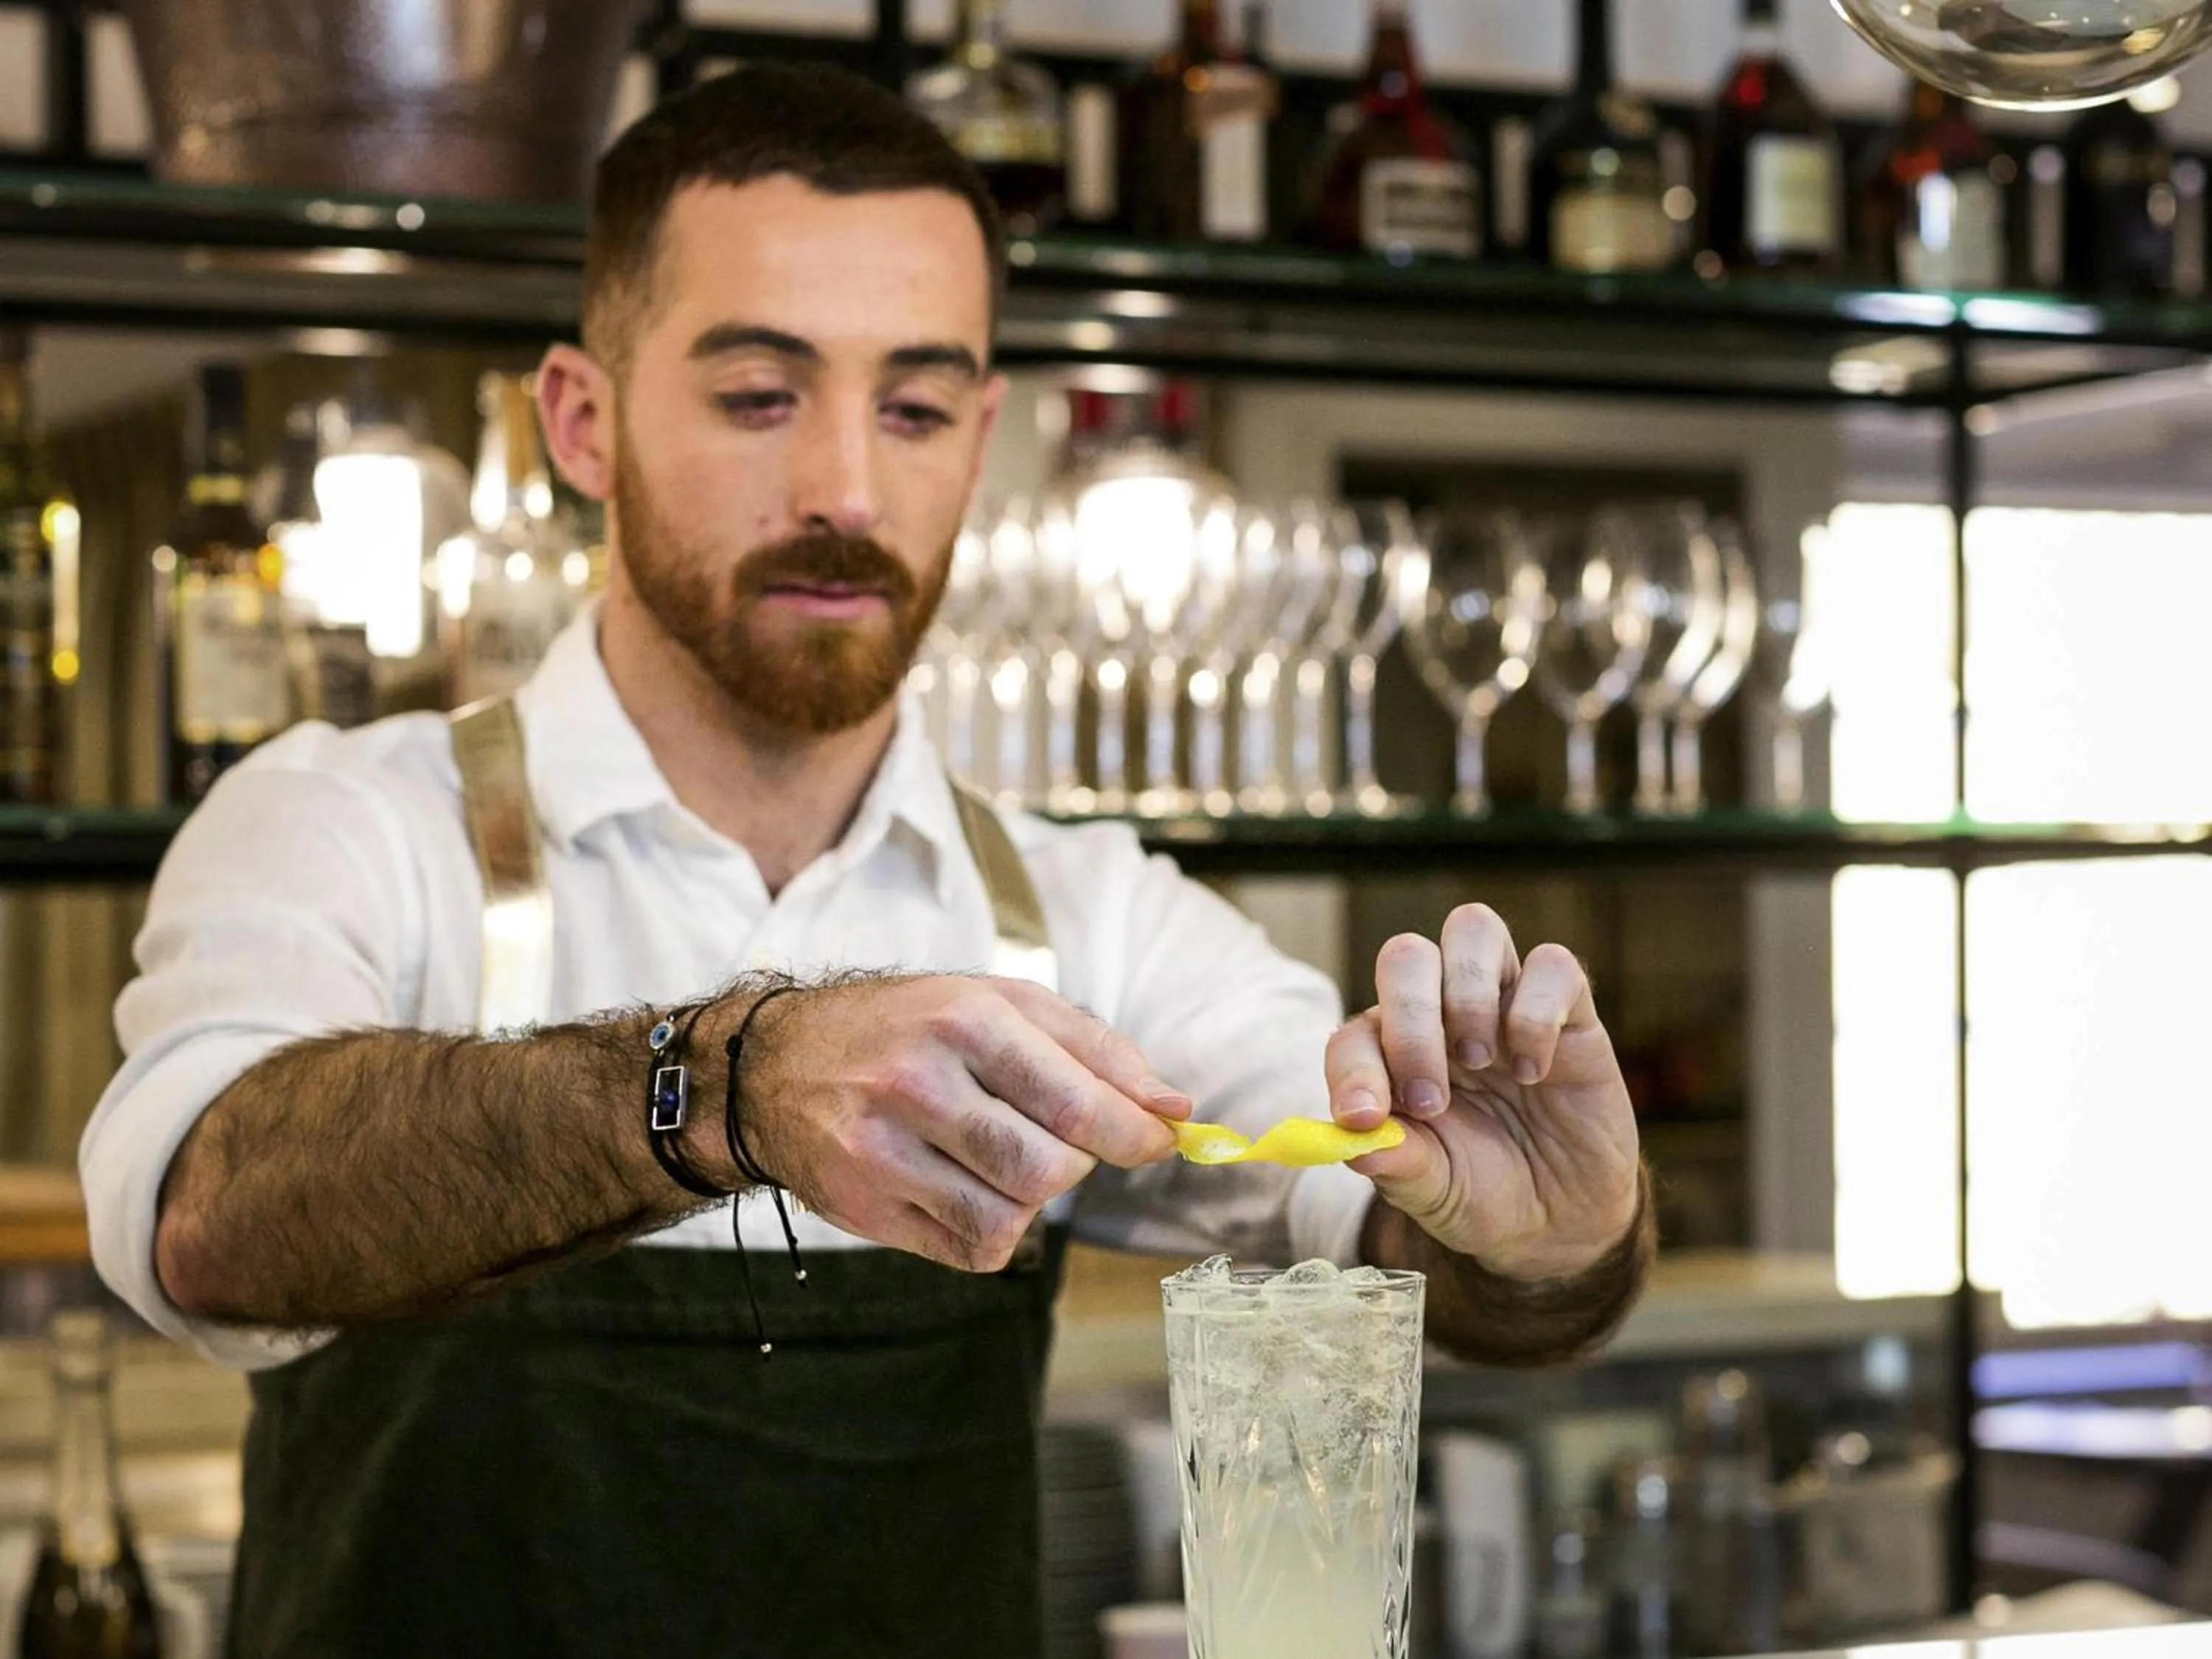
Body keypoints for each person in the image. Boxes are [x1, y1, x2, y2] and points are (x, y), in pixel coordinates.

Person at [82, 62, 1652, 1659]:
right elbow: (205, 1217)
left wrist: (1545, 1241)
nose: (843, 487)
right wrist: (728, 1082)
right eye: (759, 396)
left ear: (980, 441)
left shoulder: (1081, 912)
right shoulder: (355, 824)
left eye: (911, 409)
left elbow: (1389, 1235)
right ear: (584, 422)